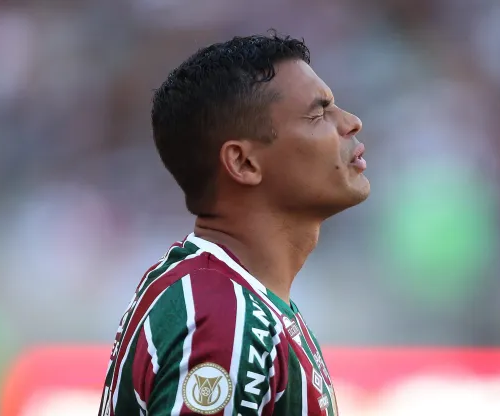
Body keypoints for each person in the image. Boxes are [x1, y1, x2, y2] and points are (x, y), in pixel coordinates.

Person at [98, 32, 369, 416]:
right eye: (318, 113)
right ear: (243, 163)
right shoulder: (224, 317)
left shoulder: (228, 296)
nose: (352, 122)